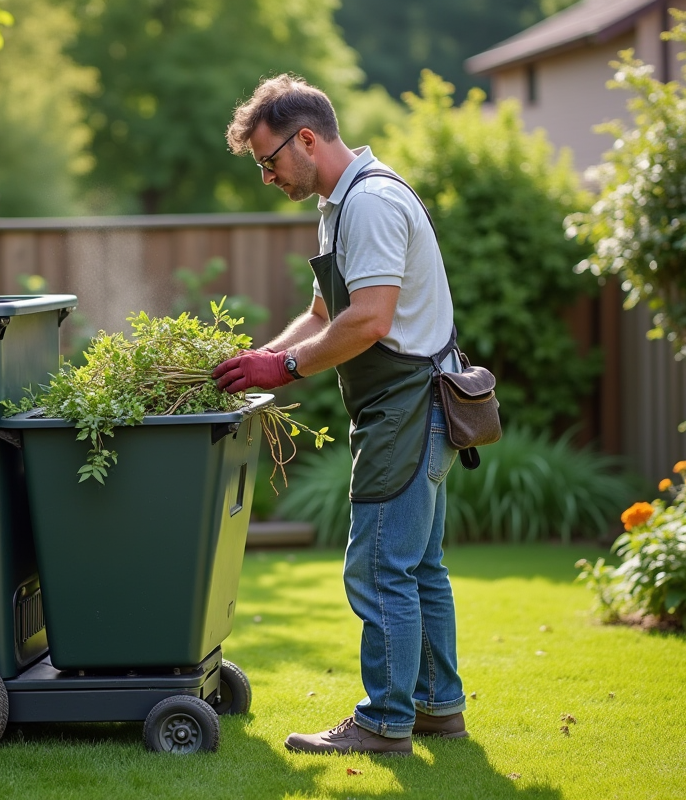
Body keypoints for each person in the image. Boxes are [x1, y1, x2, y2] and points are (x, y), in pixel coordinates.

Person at [212, 74, 468, 756]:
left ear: (306, 138)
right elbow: (326, 315)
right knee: (419, 569)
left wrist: (287, 370)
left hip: (411, 407)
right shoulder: (340, 206)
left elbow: (371, 320)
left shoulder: (373, 204)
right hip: (409, 406)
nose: (266, 177)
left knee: (381, 568)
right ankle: (437, 707)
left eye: (269, 161)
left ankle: (384, 722)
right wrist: (265, 356)